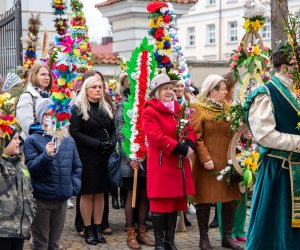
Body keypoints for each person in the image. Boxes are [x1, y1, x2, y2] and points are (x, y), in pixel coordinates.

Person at [243, 46, 300, 249]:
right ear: (286, 67)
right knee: (275, 227)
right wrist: (297, 143)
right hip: (279, 170)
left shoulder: (296, 90)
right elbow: (265, 136)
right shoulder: (266, 93)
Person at [142, 74, 196, 250]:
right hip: (162, 163)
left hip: (177, 164)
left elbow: (188, 128)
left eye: (171, 88)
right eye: (165, 88)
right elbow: (156, 137)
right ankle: (159, 242)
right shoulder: (150, 110)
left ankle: (170, 241)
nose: (169, 92)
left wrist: (189, 143)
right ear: (157, 92)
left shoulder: (178, 108)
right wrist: (180, 148)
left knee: (173, 204)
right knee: (160, 205)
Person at [191, 74, 242, 250]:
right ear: (212, 90)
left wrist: (244, 135)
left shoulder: (227, 108)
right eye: (223, 89)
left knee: (230, 200)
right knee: (204, 201)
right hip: (209, 163)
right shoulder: (198, 108)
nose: (226, 91)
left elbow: (235, 130)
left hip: (228, 161)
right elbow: (196, 137)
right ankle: (203, 239)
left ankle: (226, 237)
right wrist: (205, 158)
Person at [24, 98, 82, 250]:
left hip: (61, 199)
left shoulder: (68, 140)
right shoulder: (32, 140)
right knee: (40, 243)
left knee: (54, 244)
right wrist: (46, 156)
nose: (50, 117)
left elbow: (77, 167)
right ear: (40, 116)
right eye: (46, 114)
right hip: (41, 200)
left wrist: (72, 187)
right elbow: (32, 170)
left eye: (53, 114)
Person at [70, 75, 114, 245]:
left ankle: (98, 227)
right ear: (86, 90)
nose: (97, 90)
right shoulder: (78, 108)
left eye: (99, 87)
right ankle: (88, 229)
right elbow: (75, 132)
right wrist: (97, 144)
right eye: (93, 87)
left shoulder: (106, 107)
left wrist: (111, 143)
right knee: (88, 194)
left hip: (104, 156)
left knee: (101, 193)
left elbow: (112, 129)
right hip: (87, 156)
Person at [115, 80, 154, 249]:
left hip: (147, 157)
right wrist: (130, 156)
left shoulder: (149, 104)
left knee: (144, 195)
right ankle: (130, 233)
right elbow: (120, 133)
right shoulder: (124, 105)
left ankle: (142, 232)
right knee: (132, 195)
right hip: (129, 158)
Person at [0, 126, 35, 250]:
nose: (18, 141)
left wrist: (31, 213)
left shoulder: (22, 166)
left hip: (20, 230)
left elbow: (29, 192)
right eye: (14, 138)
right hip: (3, 231)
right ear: (4, 141)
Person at [16, 63, 52, 140]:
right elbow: (27, 126)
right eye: (43, 74)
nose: (47, 77)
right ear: (34, 76)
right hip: (34, 142)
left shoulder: (52, 96)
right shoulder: (27, 96)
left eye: (48, 75)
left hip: (51, 141)